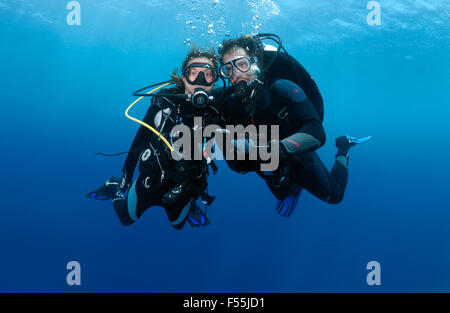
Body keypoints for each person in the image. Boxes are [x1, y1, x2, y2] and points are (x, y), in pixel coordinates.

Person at [217, 34, 371, 217]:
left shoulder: (282, 88)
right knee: (282, 192)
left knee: (335, 196)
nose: (237, 74)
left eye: (242, 64)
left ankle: (344, 146)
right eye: (228, 69)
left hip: (299, 155)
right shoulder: (229, 103)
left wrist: (274, 149)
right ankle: (293, 187)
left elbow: (316, 132)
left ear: (255, 63)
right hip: (270, 166)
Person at [87, 48, 221, 230]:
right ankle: (113, 186)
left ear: (215, 81)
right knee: (126, 218)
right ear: (183, 78)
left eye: (207, 75)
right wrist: (126, 176)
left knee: (178, 225)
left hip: (185, 185)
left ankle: (189, 205)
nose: (200, 81)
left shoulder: (216, 109)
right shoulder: (165, 101)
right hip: (152, 178)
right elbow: (140, 139)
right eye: (193, 73)